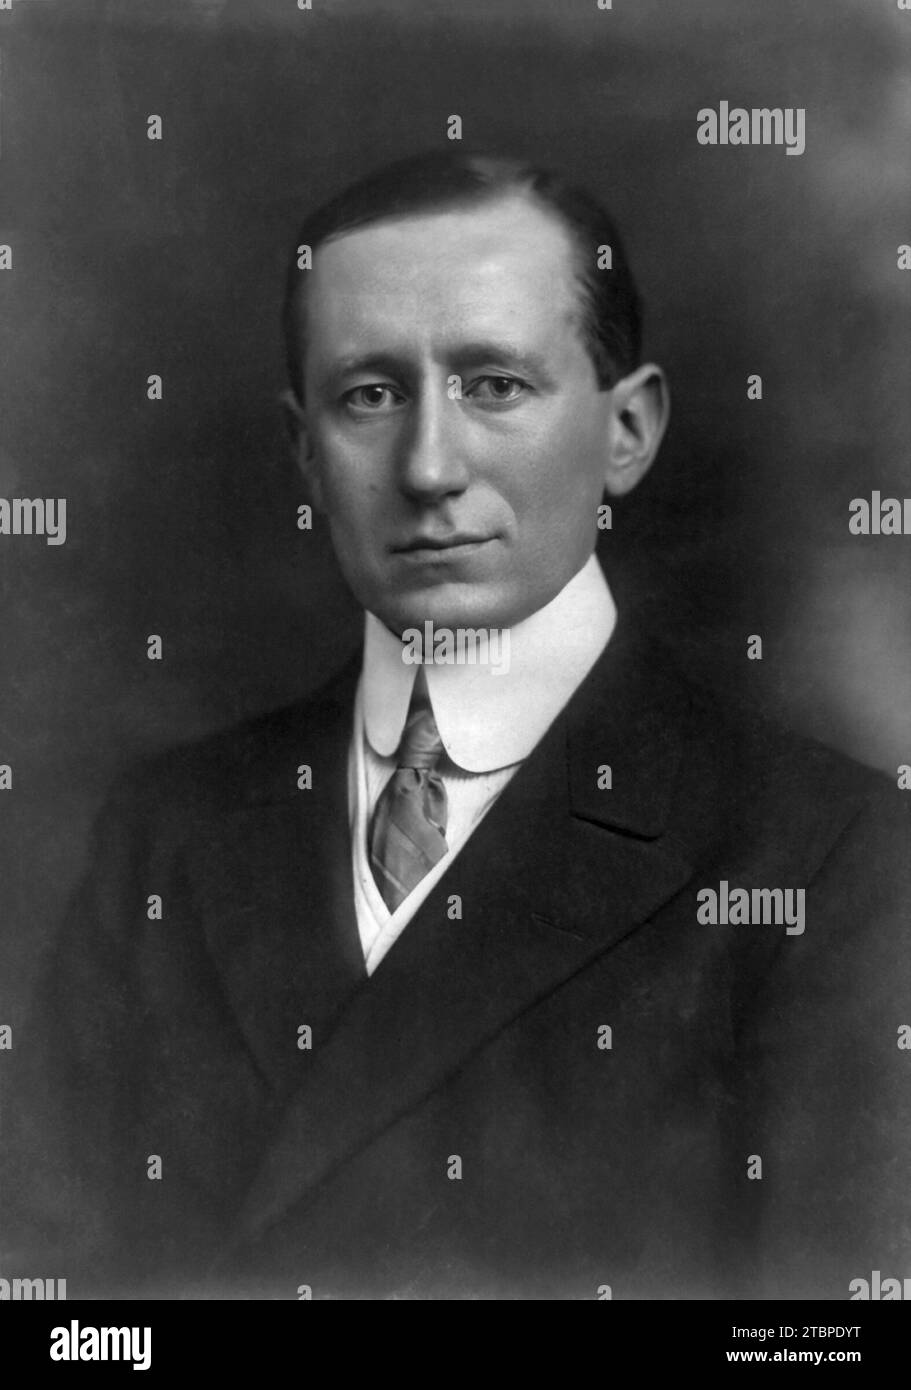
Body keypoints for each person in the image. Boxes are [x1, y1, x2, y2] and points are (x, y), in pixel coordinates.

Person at [5, 152, 909, 1300]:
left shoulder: (831, 854)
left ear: (626, 430)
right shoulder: (166, 828)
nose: (429, 468)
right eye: (369, 395)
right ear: (304, 453)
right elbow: (52, 1304)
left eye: (492, 384)